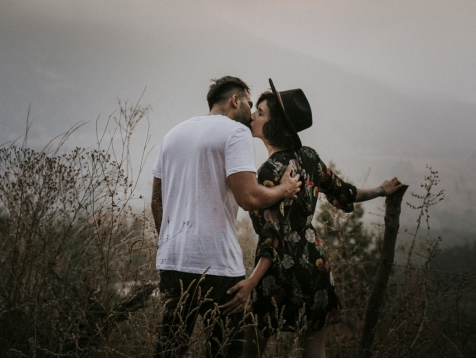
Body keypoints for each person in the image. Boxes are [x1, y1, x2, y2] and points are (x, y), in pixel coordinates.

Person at [231, 79, 403, 358]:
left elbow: (271, 238)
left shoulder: (267, 173)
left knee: (252, 351)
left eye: (260, 113)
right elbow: (343, 192)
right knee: (314, 351)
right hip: (314, 261)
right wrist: (380, 190)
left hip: (277, 271)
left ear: (275, 126)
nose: (252, 115)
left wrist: (251, 282)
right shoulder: (309, 158)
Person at [151, 76, 302, 358]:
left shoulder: (171, 135)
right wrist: (284, 189)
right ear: (235, 100)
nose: (251, 110)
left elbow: (157, 202)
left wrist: (168, 242)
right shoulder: (235, 132)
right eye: (248, 102)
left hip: (172, 262)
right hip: (217, 266)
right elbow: (249, 198)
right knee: (224, 351)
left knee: (170, 349)